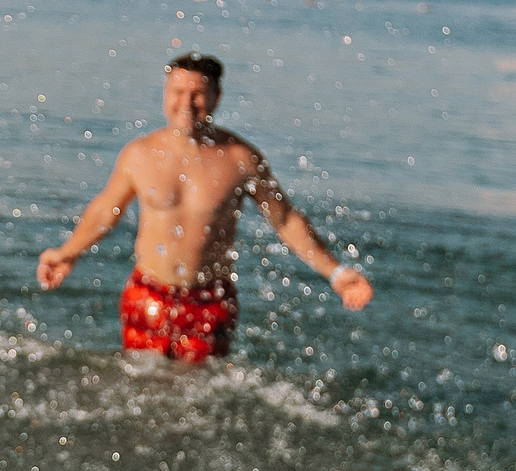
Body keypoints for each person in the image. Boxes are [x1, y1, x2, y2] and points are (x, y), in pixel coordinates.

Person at [36, 52, 373, 358]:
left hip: (210, 300)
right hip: (147, 294)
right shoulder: (139, 154)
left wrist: (337, 273)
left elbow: (284, 220)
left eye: (197, 93)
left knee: (196, 402)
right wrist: (68, 253)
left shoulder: (241, 158)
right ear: (165, 95)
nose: (187, 102)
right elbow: (106, 211)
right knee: (139, 389)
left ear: (216, 97)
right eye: (177, 92)